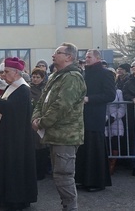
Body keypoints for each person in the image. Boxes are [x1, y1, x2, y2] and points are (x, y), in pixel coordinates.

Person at [32, 42, 86, 211]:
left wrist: (42, 122)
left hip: (66, 135)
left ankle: (71, 208)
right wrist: (36, 117)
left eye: (58, 53)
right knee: (59, 175)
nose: (53, 55)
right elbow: (42, 100)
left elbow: (62, 105)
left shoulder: (73, 77)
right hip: (56, 134)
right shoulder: (57, 75)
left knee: (64, 176)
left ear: (69, 57)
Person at [0, 57, 37, 210]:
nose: (3, 75)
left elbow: (13, 111)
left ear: (16, 72)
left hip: (16, 139)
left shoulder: (23, 89)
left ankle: (16, 199)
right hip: (8, 136)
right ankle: (5, 197)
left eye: (6, 72)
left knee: (15, 168)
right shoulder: (12, 87)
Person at [75, 50, 115, 192]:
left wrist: (89, 99)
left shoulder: (106, 73)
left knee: (94, 150)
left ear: (98, 58)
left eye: (89, 57)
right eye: (85, 57)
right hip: (82, 117)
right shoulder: (84, 74)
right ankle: (82, 179)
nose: (86, 59)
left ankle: (96, 182)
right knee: (83, 150)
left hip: (95, 116)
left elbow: (110, 95)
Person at [30, 68, 50, 180]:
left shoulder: (46, 89)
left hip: (42, 119)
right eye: (33, 77)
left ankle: (41, 171)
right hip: (31, 120)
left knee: (42, 145)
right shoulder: (28, 89)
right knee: (33, 146)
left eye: (38, 77)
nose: (35, 79)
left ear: (42, 78)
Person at [122, 60, 135, 176]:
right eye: (132, 66)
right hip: (133, 114)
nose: (134, 68)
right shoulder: (128, 81)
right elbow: (125, 93)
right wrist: (132, 99)